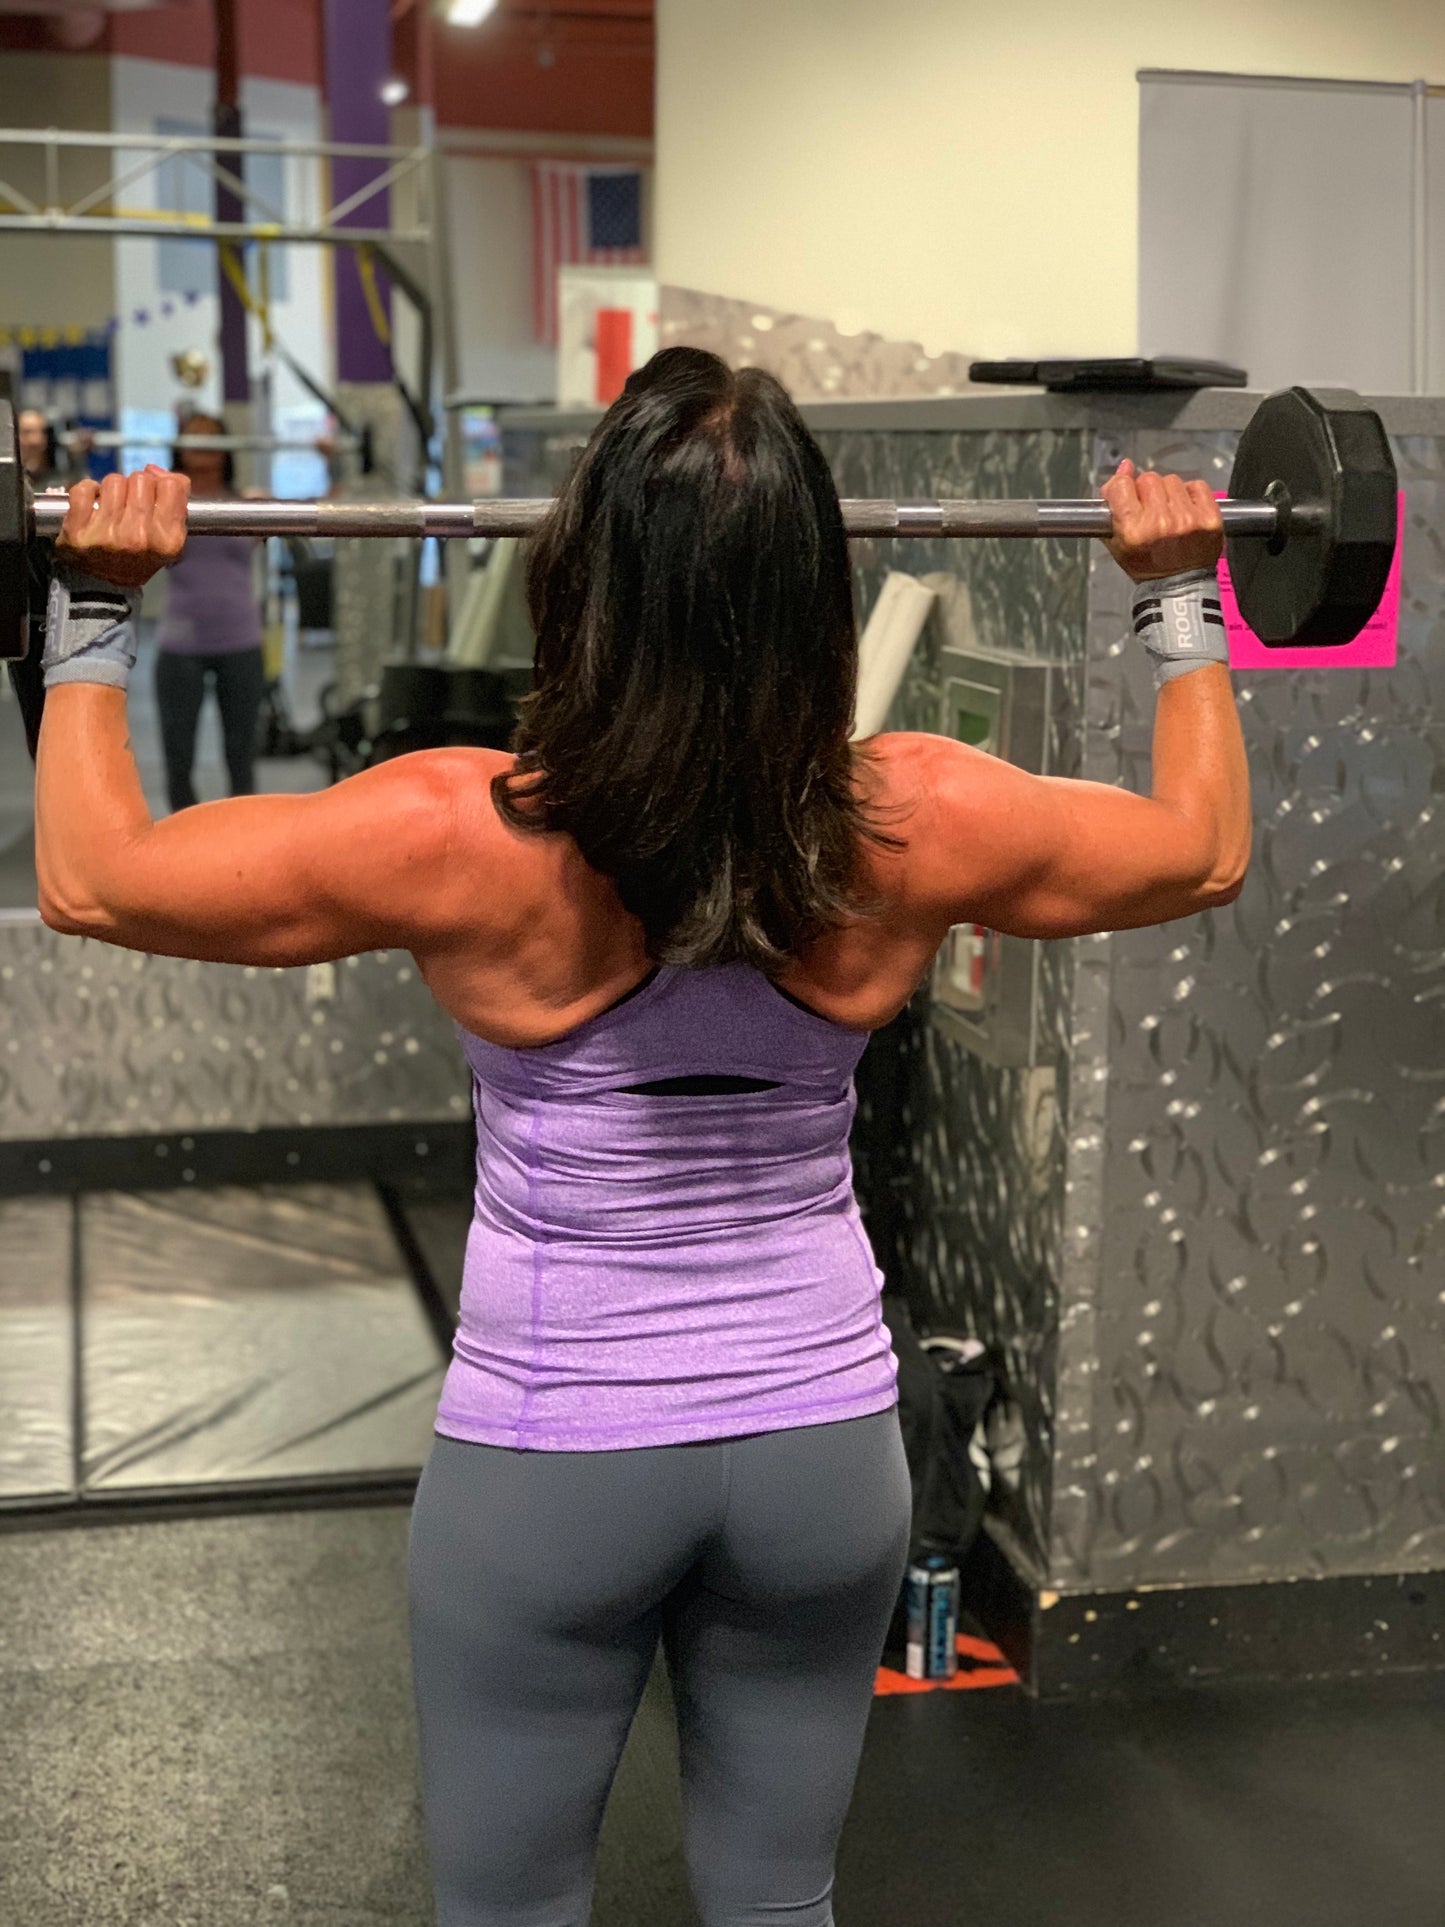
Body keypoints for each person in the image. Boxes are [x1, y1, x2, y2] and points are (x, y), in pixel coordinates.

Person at [30, 348, 1248, 1927]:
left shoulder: (454, 828)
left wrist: (94, 601)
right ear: (813, 584)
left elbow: (93, 875)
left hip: (556, 1448)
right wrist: (1178, 592)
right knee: (776, 1895)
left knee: (512, 1905)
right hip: (822, 1448)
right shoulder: (916, 812)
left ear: (583, 572)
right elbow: (1202, 851)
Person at [151, 410, 267, 813]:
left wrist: (333, 462)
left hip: (241, 641)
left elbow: (325, 511)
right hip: (181, 643)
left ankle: (244, 837)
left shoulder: (248, 503)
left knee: (242, 754)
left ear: (225, 449)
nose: (202, 443)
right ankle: (184, 838)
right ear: (180, 448)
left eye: (211, 436)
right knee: (178, 757)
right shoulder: (161, 506)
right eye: (193, 435)